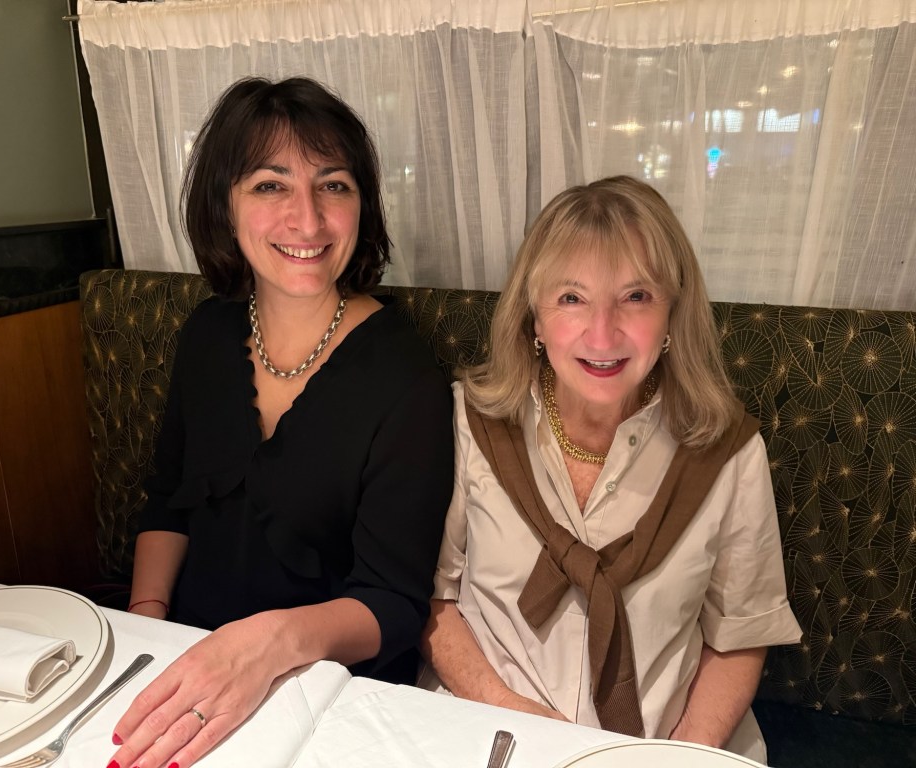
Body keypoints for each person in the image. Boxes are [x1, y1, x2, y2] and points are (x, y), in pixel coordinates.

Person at [107, 77, 454, 768]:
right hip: (186, 660)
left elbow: (393, 603)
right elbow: (168, 500)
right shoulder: (207, 333)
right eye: (271, 186)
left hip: (327, 697)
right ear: (225, 204)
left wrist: (266, 645)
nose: (308, 220)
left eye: (333, 185)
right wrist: (150, 630)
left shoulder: (406, 375)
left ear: (362, 205)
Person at [418, 176, 801, 763]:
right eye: (572, 298)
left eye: (636, 296)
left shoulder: (729, 453)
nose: (602, 332)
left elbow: (740, 635)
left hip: (665, 745)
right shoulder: (468, 422)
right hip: (490, 730)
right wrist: (517, 717)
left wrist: (676, 755)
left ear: (673, 315)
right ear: (534, 319)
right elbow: (433, 600)